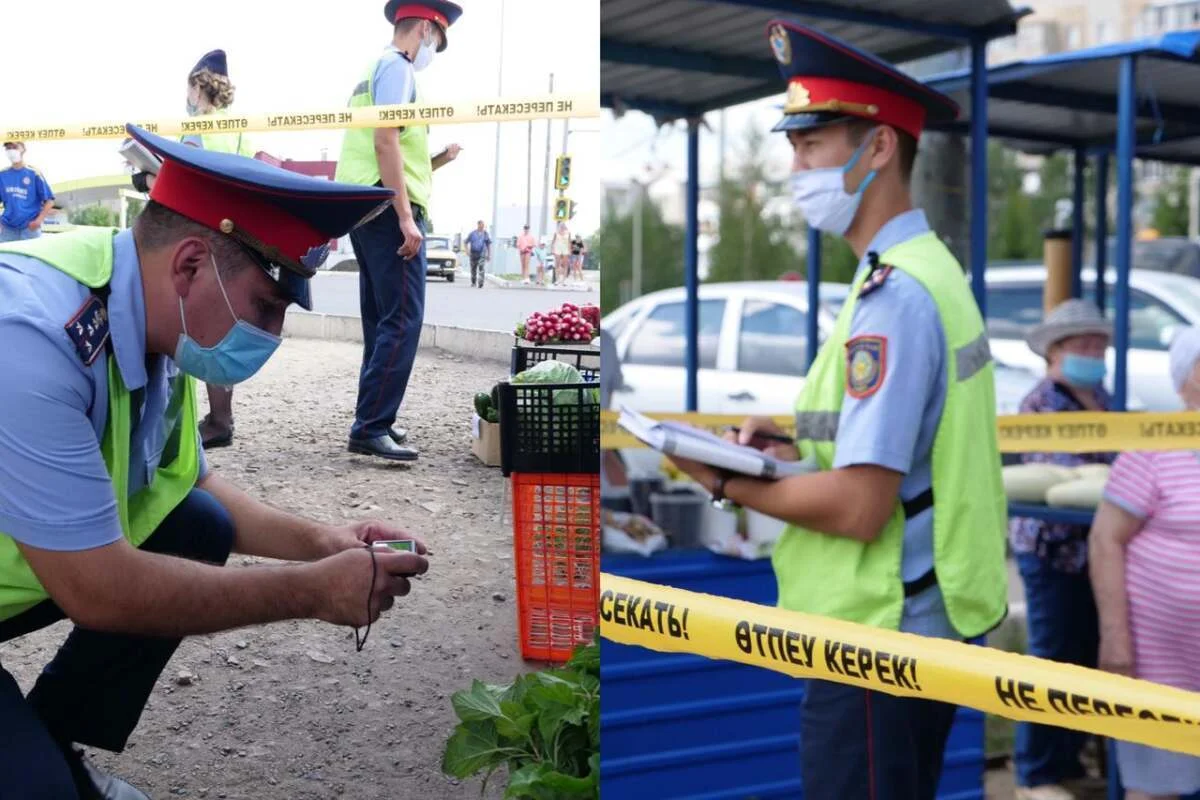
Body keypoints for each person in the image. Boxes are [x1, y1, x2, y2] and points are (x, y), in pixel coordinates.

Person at [0, 124, 426, 799]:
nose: (271, 334)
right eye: (266, 305)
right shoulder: (29, 336)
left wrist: (323, 543)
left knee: (196, 524)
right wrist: (312, 591)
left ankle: (53, 741)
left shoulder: (149, 319)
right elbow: (99, 590)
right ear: (191, 265)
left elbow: (191, 483)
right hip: (69, 575)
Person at [664, 21, 1007, 800]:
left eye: (812, 143)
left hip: (876, 635)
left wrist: (722, 479)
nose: (796, 167)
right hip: (910, 622)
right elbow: (902, 439)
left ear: (879, 147)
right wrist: (785, 446)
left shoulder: (895, 297)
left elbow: (859, 506)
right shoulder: (917, 272)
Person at [336, 0, 464, 461]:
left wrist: (438, 161)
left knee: (381, 319)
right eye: (438, 42)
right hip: (387, 210)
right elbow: (385, 140)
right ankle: (371, 426)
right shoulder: (398, 69)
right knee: (403, 319)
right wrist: (407, 217)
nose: (435, 51)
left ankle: (372, 417)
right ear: (426, 30)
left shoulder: (372, 74)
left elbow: (393, 155)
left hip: (365, 205)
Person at [1009, 299, 1116, 800]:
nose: (1094, 352)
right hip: (1051, 551)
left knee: (1089, 655)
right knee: (1052, 658)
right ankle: (1037, 774)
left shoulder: (1103, 398)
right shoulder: (1041, 403)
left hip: (1097, 550)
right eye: (1083, 345)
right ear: (1055, 351)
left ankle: (1070, 759)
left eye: (1099, 344)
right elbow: (1060, 474)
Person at [1090, 327, 1200, 800]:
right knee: (1156, 789)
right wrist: (1116, 638)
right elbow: (1104, 540)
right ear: (1184, 383)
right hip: (1162, 663)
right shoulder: (1154, 446)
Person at [175, 49, 259, 451]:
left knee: (197, 325)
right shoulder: (241, 128)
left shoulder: (199, 128)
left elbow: (184, 175)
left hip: (202, 232)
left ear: (197, 85)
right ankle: (219, 416)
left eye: (188, 87)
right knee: (223, 324)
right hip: (235, 234)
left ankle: (217, 421)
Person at [0, 141, 55, 242]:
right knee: (6, 257)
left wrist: (38, 221)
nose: (11, 150)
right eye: (8, 148)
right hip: (7, 229)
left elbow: (50, 200)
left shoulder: (34, 174)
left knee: (30, 257)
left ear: (23, 149)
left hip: (30, 228)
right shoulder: (2, 175)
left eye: (14, 147)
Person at [465, 219, 491, 288]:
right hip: (473, 253)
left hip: (482, 253)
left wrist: (489, 254)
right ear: (478, 225)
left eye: (483, 225)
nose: (482, 227)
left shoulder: (485, 234)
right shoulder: (472, 233)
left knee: (481, 267)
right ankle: (473, 282)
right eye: (481, 225)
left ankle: (480, 283)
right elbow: (466, 242)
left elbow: (488, 244)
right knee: (473, 269)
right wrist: (467, 251)